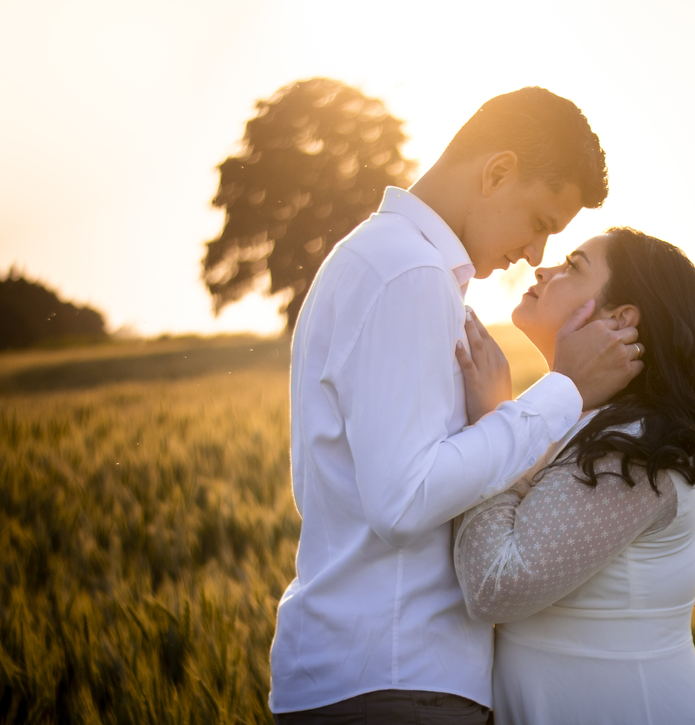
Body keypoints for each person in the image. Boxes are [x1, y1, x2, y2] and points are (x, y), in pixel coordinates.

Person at [270, 88, 645, 724]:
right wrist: (564, 392)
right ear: (497, 171)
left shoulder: (384, 260)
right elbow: (404, 499)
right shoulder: (407, 273)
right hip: (394, 681)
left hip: (371, 677)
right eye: (540, 223)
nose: (534, 254)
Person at [453, 227, 695, 724]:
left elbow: (495, 586)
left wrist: (492, 428)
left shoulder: (636, 447)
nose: (543, 270)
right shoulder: (577, 422)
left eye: (574, 265)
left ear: (620, 318)